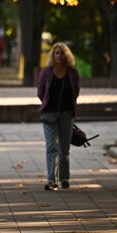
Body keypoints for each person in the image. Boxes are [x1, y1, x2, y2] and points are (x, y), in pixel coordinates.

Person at [37, 42, 80, 191]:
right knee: (51, 147)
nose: (59, 56)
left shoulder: (72, 73)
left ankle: (64, 178)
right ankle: (51, 180)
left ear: (66, 55)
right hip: (49, 114)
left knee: (64, 149)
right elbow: (40, 92)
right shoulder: (47, 72)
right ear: (53, 56)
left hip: (66, 114)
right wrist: (47, 104)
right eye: (56, 53)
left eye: (62, 53)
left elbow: (76, 91)